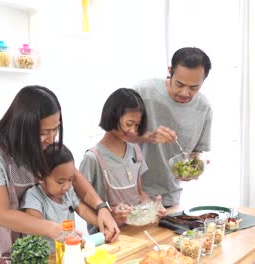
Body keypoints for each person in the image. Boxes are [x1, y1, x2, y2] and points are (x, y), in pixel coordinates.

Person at [0, 85, 119, 264]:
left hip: (35, 242)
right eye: (43, 132)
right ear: (23, 127)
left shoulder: (41, 144)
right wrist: (53, 229)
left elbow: (74, 175)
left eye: (55, 129)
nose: (51, 139)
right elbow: (1, 214)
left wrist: (102, 208)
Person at [131, 47, 213, 207]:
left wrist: (194, 168)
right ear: (170, 71)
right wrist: (149, 136)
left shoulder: (204, 108)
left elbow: (196, 152)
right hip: (129, 195)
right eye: (180, 84)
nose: (185, 92)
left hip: (169, 198)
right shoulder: (143, 92)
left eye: (194, 87)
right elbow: (113, 134)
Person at [79, 88, 166, 230]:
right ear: (113, 116)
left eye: (137, 125)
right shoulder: (92, 158)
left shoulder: (135, 150)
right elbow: (80, 204)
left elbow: (139, 193)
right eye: (129, 123)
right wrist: (110, 214)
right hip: (107, 235)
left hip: (134, 230)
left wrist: (153, 207)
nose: (133, 131)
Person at [20, 144, 98, 251]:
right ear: (40, 176)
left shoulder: (68, 192)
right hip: (46, 257)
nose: (67, 186)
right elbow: (36, 230)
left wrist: (102, 224)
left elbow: (83, 210)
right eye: (60, 182)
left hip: (67, 252)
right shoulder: (34, 197)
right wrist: (74, 240)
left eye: (70, 179)